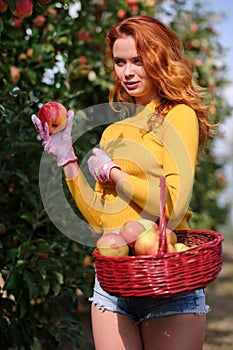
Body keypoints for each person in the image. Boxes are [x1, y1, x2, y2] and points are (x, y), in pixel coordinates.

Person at [32, 15, 216, 350]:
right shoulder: (113, 132)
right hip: (113, 285)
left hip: (166, 282)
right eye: (120, 62)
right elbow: (101, 220)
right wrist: (67, 160)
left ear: (159, 59)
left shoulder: (179, 115)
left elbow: (173, 206)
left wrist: (114, 173)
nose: (127, 72)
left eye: (137, 60)